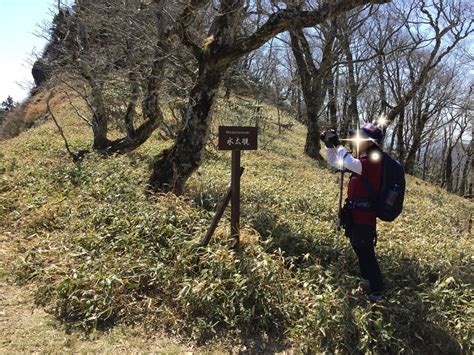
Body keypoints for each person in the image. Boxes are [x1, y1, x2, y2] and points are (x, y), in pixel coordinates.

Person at [320, 123, 385, 302]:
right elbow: (336, 162)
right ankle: (367, 283)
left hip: (365, 216)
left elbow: (349, 162)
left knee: (365, 251)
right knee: (359, 247)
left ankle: (377, 291)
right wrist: (329, 145)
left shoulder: (374, 159)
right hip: (355, 214)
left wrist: (338, 144)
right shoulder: (362, 158)